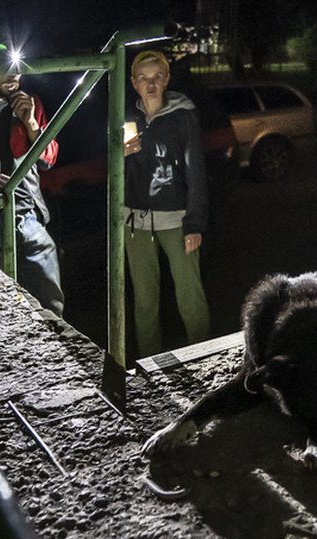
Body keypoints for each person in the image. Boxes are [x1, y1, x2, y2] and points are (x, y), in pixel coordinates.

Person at [0, 43, 65, 317]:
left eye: (17, 66)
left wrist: (31, 123)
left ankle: (53, 349)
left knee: (50, 299)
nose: (12, 73)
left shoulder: (30, 104)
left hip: (27, 215)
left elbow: (49, 159)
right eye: (2, 65)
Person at [123, 50, 210, 358]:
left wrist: (195, 224)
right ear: (134, 83)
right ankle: (149, 363)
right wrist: (121, 157)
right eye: (144, 79)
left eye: (157, 77)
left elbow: (195, 170)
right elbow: (115, 178)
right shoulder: (128, 121)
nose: (150, 84)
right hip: (135, 223)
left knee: (190, 296)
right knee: (144, 301)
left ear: (167, 79)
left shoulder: (183, 117)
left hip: (176, 219)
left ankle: (203, 357)